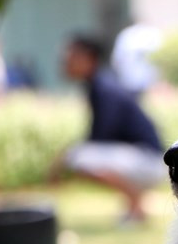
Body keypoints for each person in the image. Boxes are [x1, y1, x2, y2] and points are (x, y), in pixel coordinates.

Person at [51, 34, 165, 223]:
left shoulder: (104, 88)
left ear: (89, 58)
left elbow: (102, 135)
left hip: (150, 161)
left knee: (79, 158)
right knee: (79, 155)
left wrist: (62, 159)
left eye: (71, 55)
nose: (65, 60)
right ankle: (134, 205)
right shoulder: (99, 85)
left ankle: (136, 205)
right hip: (143, 158)